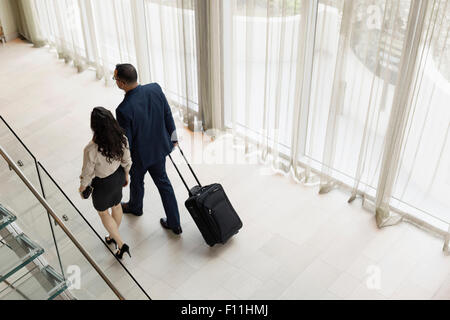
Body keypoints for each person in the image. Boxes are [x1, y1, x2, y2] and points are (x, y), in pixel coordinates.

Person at [114, 63, 182, 235]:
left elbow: (126, 142)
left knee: (137, 180)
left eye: (115, 79)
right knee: (163, 183)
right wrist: (173, 138)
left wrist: (124, 166)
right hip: (159, 148)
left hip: (140, 157)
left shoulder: (123, 110)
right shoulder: (155, 88)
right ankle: (174, 223)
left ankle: (136, 207)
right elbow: (168, 114)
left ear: (122, 83)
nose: (115, 81)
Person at [79, 107, 132, 259]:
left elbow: (87, 173)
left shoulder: (90, 149)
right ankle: (111, 236)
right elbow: (127, 160)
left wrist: (82, 188)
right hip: (118, 176)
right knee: (116, 206)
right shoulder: (121, 138)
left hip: (102, 184)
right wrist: (126, 175)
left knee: (103, 213)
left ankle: (121, 244)